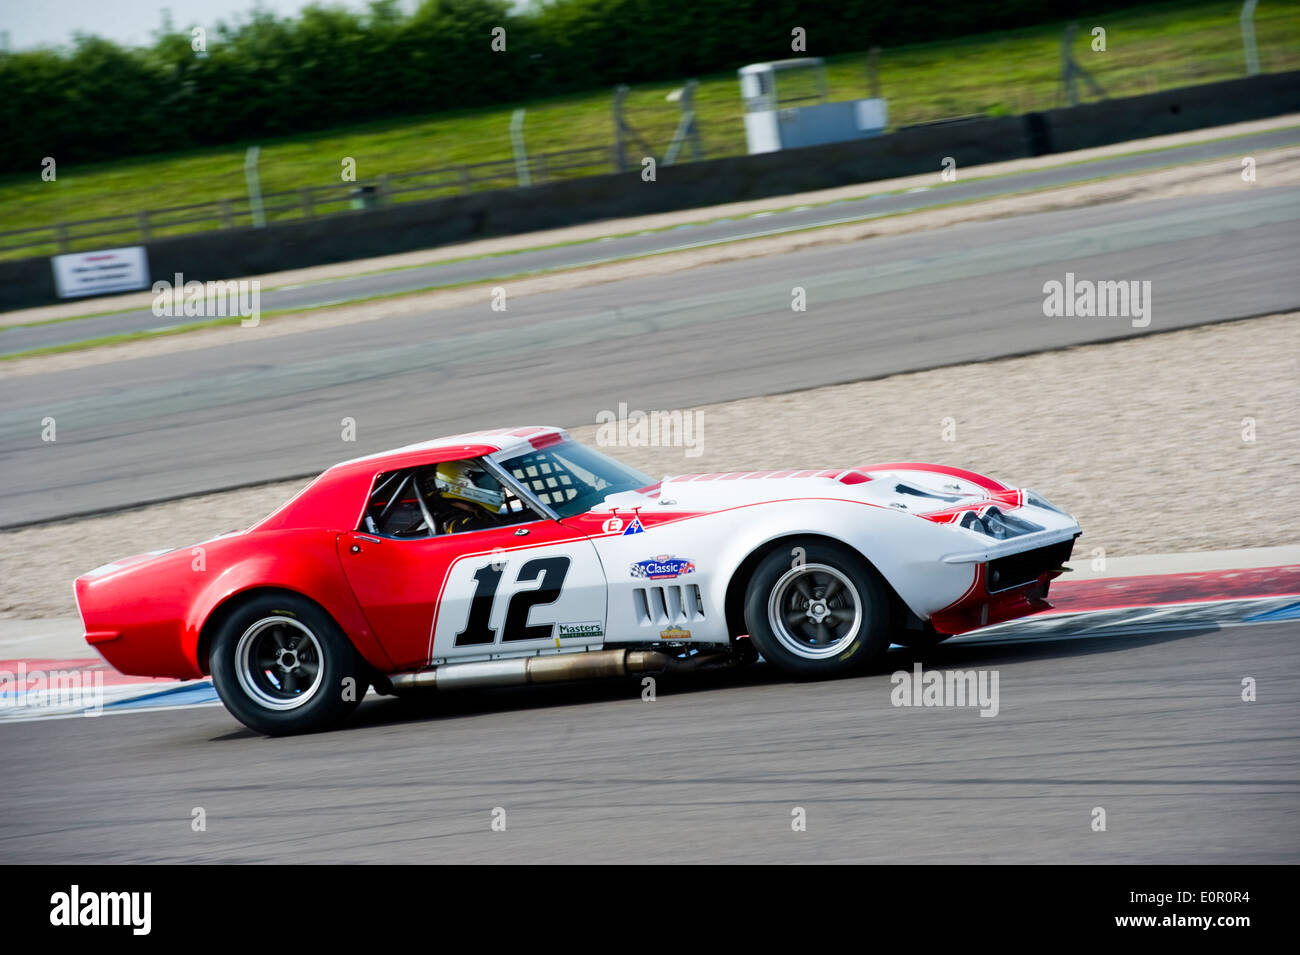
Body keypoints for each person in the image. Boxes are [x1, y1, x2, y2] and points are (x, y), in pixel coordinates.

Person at [428, 460, 506, 534]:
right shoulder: (459, 526)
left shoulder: (476, 512)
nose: (499, 484)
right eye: (485, 479)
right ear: (462, 484)